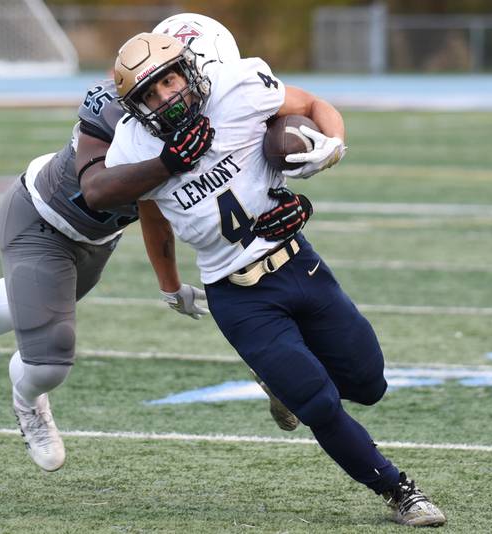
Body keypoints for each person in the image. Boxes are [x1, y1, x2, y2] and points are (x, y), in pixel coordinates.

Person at [0, 14, 300, 473]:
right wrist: (169, 172)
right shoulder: (116, 105)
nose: (184, 98)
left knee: (34, 302)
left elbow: (175, 205)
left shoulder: (206, 103)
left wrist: (307, 155)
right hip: (43, 217)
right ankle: (27, 399)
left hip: (99, 237)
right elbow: (109, 192)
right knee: (50, 358)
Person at [104, 33, 447, 527]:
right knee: (319, 403)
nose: (165, 99)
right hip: (237, 294)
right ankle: (400, 492)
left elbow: (312, 103)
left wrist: (331, 147)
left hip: (298, 262)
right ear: (136, 108)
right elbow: (152, 213)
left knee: (369, 383)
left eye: (169, 81)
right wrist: (170, 283)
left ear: (190, 69)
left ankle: (281, 383)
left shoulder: (235, 88)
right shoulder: (135, 147)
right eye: (149, 96)